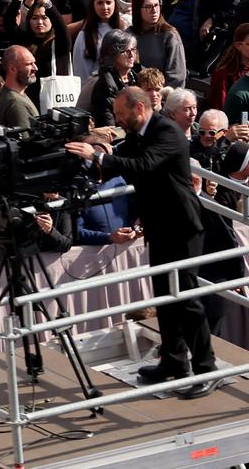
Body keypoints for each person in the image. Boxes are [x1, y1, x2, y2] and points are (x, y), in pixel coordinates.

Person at [67, 87, 216, 395]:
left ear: (138, 109)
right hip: (159, 226)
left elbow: (143, 166)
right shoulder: (137, 135)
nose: (117, 120)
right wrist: (96, 158)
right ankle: (174, 361)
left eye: (121, 114)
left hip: (182, 227)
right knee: (164, 295)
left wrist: (98, 156)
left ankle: (206, 367)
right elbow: (123, 161)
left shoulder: (167, 132)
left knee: (186, 299)